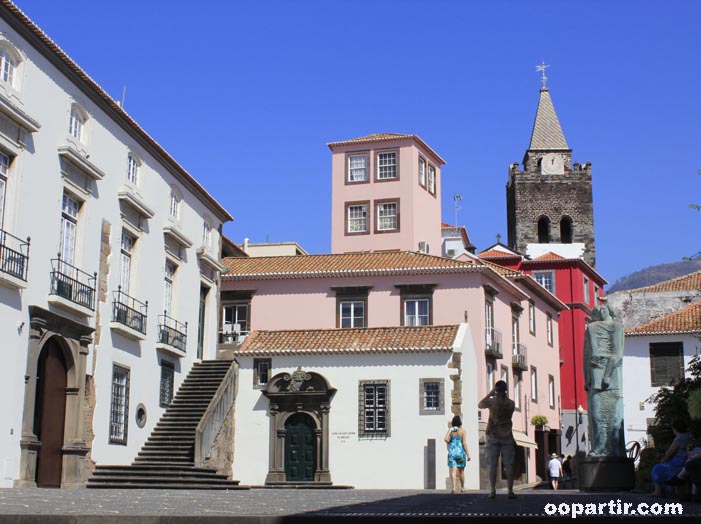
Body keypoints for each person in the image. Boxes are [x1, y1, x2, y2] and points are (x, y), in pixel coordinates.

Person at [478, 380, 516, 499]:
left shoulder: (492, 402)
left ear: (496, 391)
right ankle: (510, 491)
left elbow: (480, 404)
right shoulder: (512, 404)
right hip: (507, 436)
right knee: (509, 464)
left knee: (493, 465)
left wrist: (490, 394)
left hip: (494, 436)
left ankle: (493, 491)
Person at [651, 419, 691, 496]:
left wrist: (661, 456)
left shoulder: (679, 439)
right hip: (686, 461)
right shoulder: (689, 436)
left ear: (675, 429)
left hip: (679, 463)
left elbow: (669, 453)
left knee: (658, 468)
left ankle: (658, 491)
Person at [444, 415, 470, 493]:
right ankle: (462, 488)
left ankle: (454, 488)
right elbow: (464, 443)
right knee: (461, 471)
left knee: (453, 470)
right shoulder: (463, 431)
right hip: (461, 453)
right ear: (460, 423)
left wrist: (449, 431)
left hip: (452, 453)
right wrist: (468, 454)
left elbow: (445, 439)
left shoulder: (451, 431)